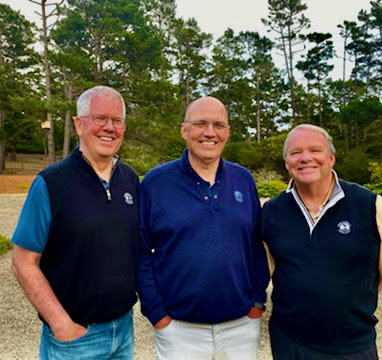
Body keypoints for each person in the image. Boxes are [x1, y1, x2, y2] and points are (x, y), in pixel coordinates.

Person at [11, 86, 139, 360]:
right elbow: (23, 261)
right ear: (79, 124)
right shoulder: (51, 183)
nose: (109, 127)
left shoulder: (129, 179)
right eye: (100, 118)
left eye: (117, 120)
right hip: (74, 341)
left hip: (124, 332)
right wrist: (61, 324)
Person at [137, 96, 269, 360]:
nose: (210, 133)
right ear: (185, 130)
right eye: (200, 124)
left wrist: (257, 302)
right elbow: (140, 252)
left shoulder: (243, 180)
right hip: (179, 331)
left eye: (218, 125)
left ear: (228, 133)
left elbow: (256, 246)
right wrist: (157, 315)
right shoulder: (156, 182)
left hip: (241, 327)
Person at [262, 124, 382, 359]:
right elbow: (270, 269)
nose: (305, 158)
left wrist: (347, 299)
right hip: (289, 341)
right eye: (295, 153)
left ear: (331, 157)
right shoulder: (272, 212)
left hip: (352, 345)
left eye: (314, 150)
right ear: (287, 163)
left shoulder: (369, 204)